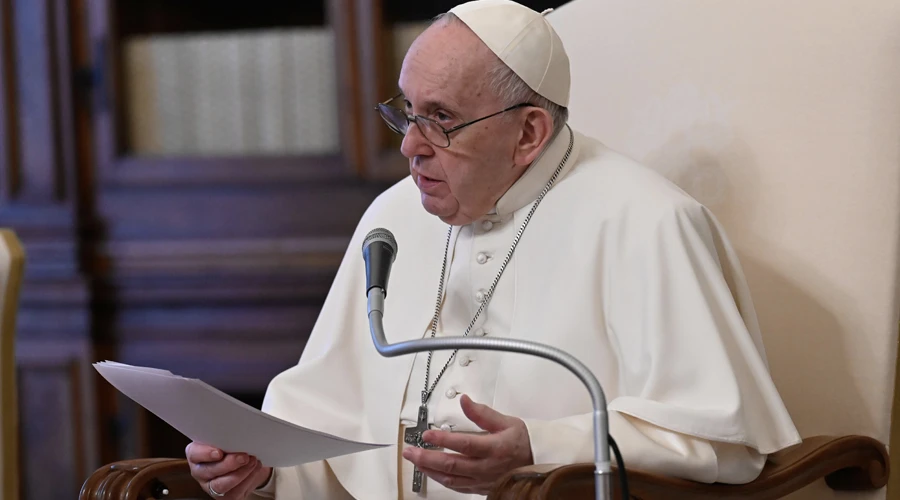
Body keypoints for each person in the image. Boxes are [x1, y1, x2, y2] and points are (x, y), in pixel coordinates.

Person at [185, 1, 801, 498]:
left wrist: (541, 449)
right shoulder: (395, 213)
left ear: (529, 132)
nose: (410, 148)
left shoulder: (646, 222)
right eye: (406, 112)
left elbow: (725, 444)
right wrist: (264, 473)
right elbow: (333, 429)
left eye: (441, 119)